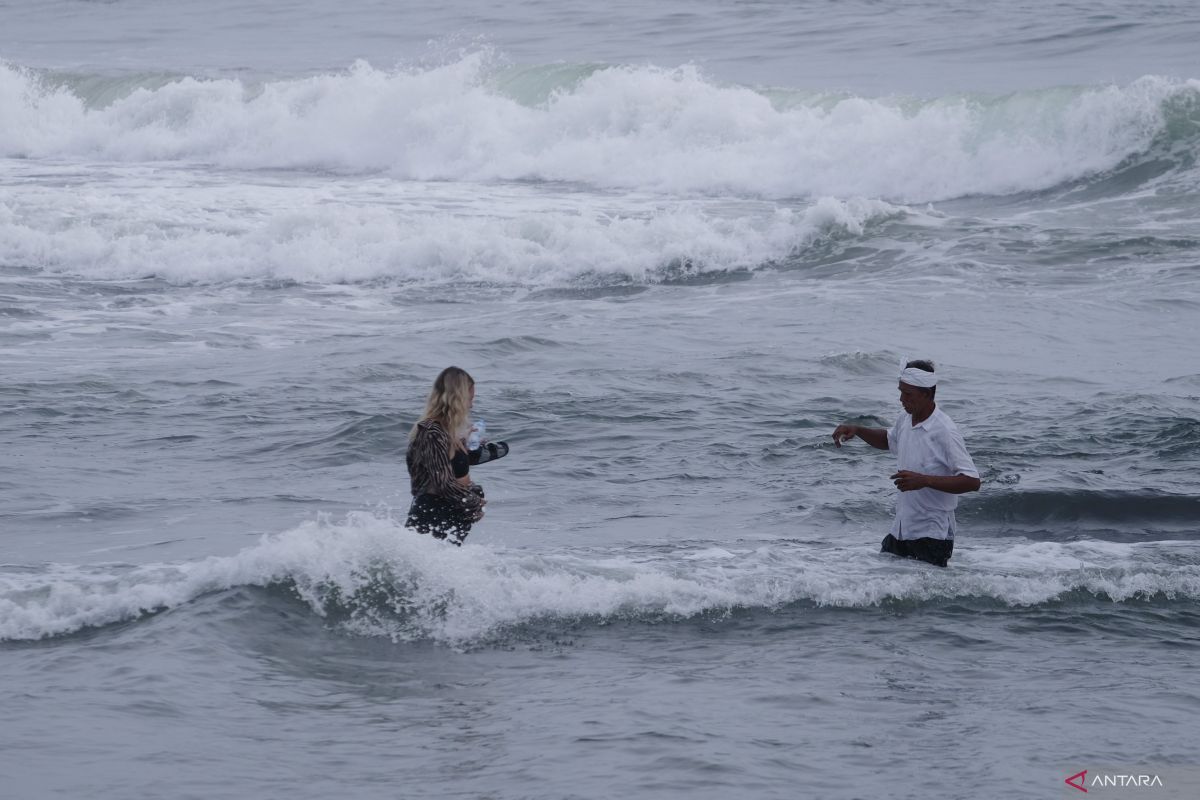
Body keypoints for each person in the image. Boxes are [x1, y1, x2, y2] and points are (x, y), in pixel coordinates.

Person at [831, 360, 981, 567]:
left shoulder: (944, 431)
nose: (901, 399)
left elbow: (972, 481)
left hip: (932, 535)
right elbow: (888, 440)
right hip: (902, 529)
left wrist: (924, 480)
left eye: (908, 394)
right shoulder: (906, 418)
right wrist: (858, 430)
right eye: (901, 392)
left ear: (927, 394)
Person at [405, 366, 508, 546]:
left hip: (449, 517)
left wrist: (466, 450)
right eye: (470, 398)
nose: (471, 405)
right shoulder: (431, 432)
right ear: (458, 398)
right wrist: (475, 503)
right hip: (433, 516)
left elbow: (451, 468)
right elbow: (443, 484)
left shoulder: (446, 433)